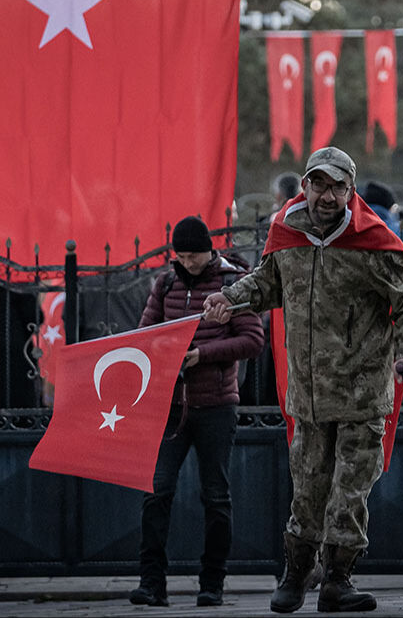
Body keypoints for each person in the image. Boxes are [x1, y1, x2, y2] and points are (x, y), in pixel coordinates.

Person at [203, 146, 403, 614]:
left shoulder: (372, 241)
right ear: (305, 186)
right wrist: (231, 298)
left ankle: (338, 581)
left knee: (349, 493)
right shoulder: (288, 234)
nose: (327, 196)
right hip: (307, 395)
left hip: (362, 391)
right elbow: (267, 283)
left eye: (337, 187)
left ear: (351, 191)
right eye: (319, 184)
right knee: (306, 491)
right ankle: (296, 575)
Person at [128, 216, 265, 608]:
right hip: (171, 406)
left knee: (216, 496)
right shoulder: (166, 284)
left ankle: (212, 583)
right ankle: (151, 582)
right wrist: (162, 351)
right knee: (157, 491)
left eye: (193, 256)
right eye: (181, 256)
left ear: (209, 250)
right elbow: (146, 333)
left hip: (217, 405)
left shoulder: (230, 284)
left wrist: (201, 355)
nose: (187, 263)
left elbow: (252, 340)